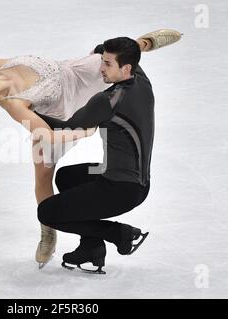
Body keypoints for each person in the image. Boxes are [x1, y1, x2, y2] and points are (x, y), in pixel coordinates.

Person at [0, 28, 181, 269]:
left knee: (111, 54)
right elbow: (49, 133)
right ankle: (48, 232)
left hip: (72, 72)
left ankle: (145, 43)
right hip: (60, 111)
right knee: (43, 175)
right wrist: (83, 131)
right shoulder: (14, 104)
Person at [33, 36, 156, 274]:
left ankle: (119, 234)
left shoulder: (108, 100)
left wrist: (30, 109)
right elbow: (121, 52)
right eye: (102, 61)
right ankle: (91, 247)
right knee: (68, 177)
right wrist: (102, 50)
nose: (101, 68)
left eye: (108, 64)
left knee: (47, 212)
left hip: (120, 188)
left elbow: (64, 128)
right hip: (132, 179)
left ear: (126, 68)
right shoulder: (142, 82)